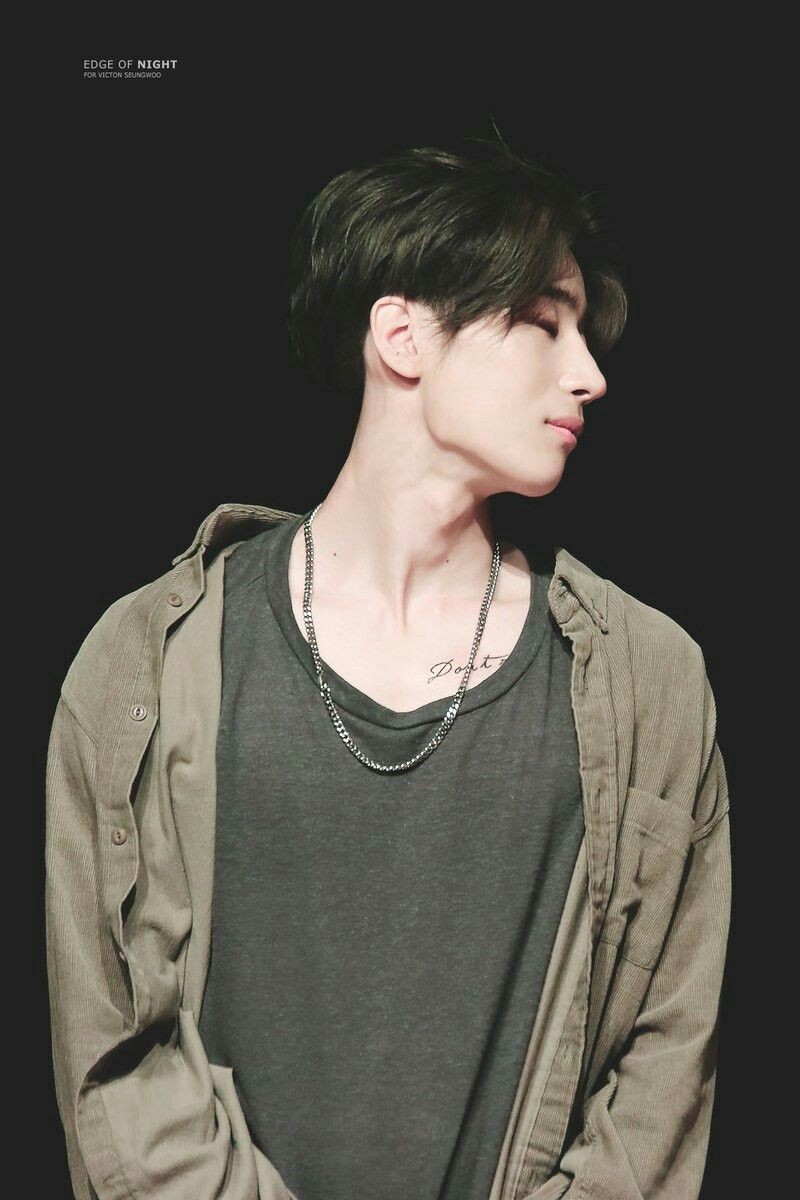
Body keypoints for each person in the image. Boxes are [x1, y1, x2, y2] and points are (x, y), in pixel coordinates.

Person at [45, 137, 732, 1200]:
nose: (589, 374)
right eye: (541, 322)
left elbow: (661, 1075)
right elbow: (117, 1062)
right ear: (402, 336)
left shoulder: (651, 683)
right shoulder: (145, 661)